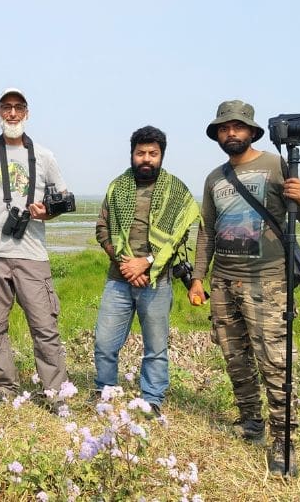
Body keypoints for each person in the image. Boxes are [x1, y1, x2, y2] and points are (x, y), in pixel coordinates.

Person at [188, 100, 300, 477]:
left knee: (276, 363)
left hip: (268, 281)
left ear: (251, 131)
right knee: (235, 358)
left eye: (237, 127)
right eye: (224, 128)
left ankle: (284, 441)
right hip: (224, 282)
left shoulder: (276, 166)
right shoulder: (215, 178)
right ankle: (251, 422)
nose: (231, 133)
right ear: (217, 135)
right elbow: (207, 231)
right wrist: (199, 277)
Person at [0, 88, 70, 412]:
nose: (12, 113)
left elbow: (62, 200)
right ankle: (3, 386)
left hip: (32, 254)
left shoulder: (45, 156)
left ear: (27, 113)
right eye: (6, 108)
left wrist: (45, 213)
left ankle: (56, 394)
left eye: (18, 108)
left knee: (44, 326)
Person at [93, 126, 199, 416]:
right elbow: (102, 229)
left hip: (157, 282)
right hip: (119, 280)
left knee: (155, 348)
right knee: (104, 343)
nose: (146, 158)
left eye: (153, 153)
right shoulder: (117, 188)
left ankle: (152, 400)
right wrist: (126, 264)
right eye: (141, 153)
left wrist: (146, 262)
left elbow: (178, 238)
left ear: (162, 155)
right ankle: (105, 393)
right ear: (132, 155)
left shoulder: (176, 191)